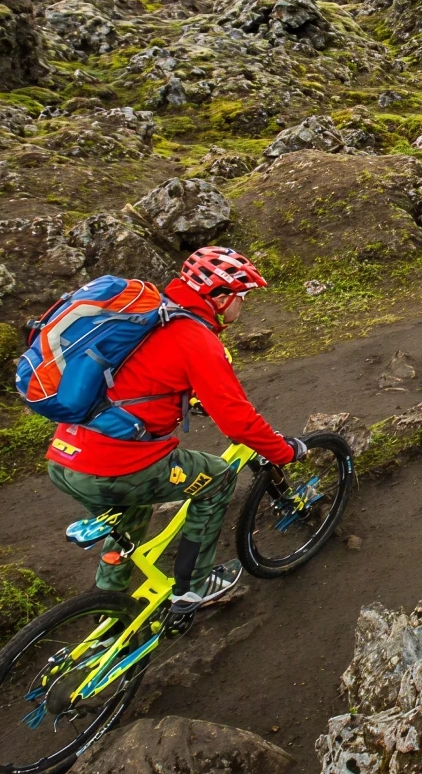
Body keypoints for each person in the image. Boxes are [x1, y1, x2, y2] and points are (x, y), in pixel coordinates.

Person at [45, 246, 303, 610]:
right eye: (242, 296)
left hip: (65, 457)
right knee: (218, 480)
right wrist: (284, 451)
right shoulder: (194, 338)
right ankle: (193, 588)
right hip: (115, 465)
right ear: (219, 296)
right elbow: (237, 421)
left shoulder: (146, 317)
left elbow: (139, 377)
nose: (243, 305)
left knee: (128, 511)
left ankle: (108, 605)